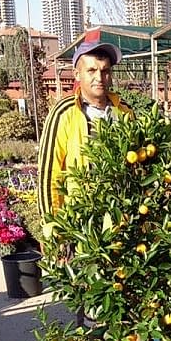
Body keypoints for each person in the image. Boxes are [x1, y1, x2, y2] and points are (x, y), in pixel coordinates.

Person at [37, 35, 132, 216]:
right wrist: (51, 223)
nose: (99, 77)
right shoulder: (64, 113)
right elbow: (49, 173)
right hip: (82, 218)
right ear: (77, 74)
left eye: (105, 71)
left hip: (122, 216)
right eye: (91, 70)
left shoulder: (124, 111)